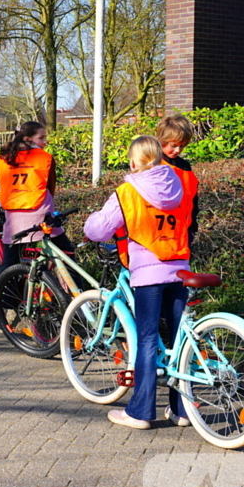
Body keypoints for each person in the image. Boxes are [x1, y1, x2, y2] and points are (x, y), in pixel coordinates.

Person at [83, 136, 192, 430]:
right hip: (179, 267)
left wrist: (90, 221)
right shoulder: (177, 185)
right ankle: (181, 410)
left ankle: (141, 412)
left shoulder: (128, 191)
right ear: (159, 158)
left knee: (145, 340)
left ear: (133, 161)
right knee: (179, 340)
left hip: (148, 273)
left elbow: (99, 229)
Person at [0, 121, 74, 327]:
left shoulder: (3, 159)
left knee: (10, 264)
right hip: (43, 216)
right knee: (67, 253)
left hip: (16, 220)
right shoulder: (46, 158)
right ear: (27, 138)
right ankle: (81, 298)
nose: (45, 141)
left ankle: (0, 309)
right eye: (41, 138)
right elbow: (50, 188)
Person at [156, 114, 200, 246]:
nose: (178, 150)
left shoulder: (185, 166)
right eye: (174, 145)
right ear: (161, 140)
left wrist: (192, 225)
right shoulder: (154, 164)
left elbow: (192, 198)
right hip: (159, 229)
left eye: (182, 146)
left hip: (183, 229)